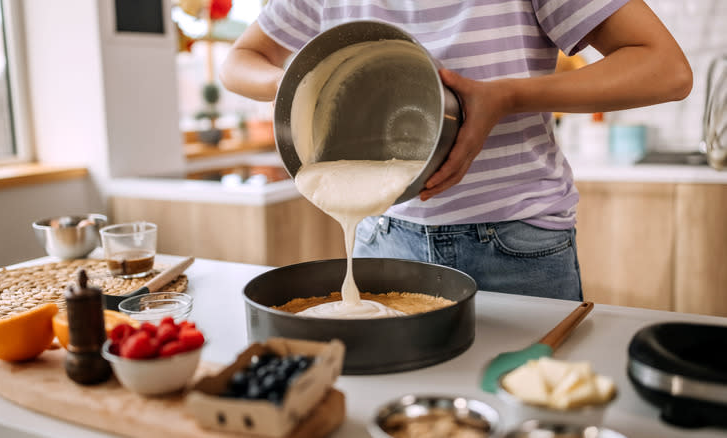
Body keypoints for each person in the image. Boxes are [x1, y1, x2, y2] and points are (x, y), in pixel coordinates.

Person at [219, 0, 692, 301]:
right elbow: (238, 61)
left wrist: (508, 96)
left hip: (514, 245)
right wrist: (294, 83)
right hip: (382, 236)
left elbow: (665, 67)